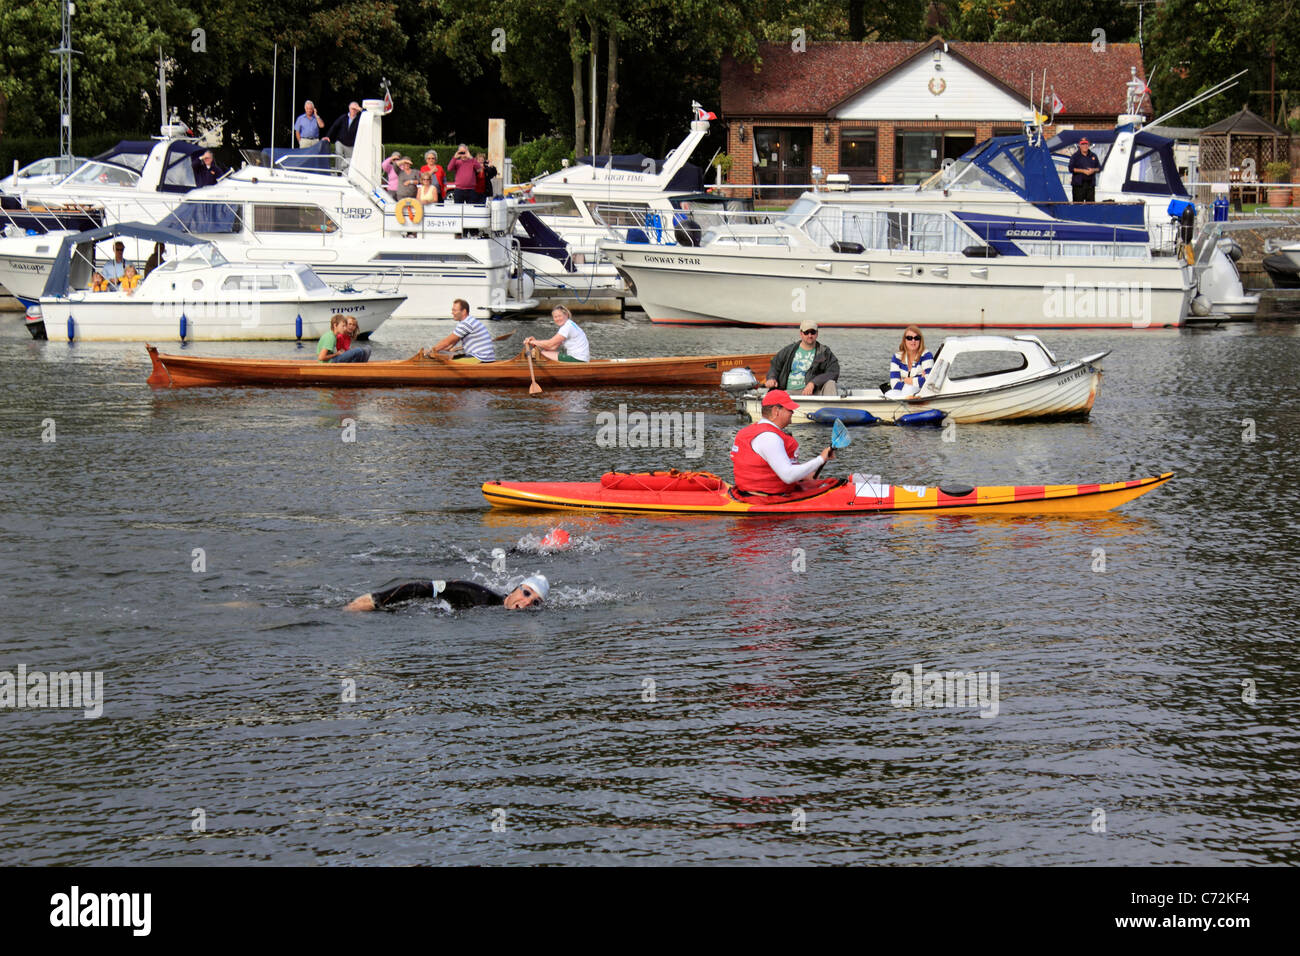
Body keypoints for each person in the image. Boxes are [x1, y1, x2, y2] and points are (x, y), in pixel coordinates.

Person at [730, 389, 835, 496]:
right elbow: (788, 476)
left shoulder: (753, 431)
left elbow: (771, 468)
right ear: (776, 411)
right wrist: (821, 459)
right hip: (764, 499)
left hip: (749, 492)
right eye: (789, 409)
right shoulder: (769, 437)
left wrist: (803, 476)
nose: (792, 412)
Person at [344, 574, 548, 611]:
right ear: (515, 589)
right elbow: (422, 587)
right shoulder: (476, 594)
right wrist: (376, 600)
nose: (528, 602)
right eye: (527, 594)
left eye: (536, 603)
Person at [765, 319, 839, 395]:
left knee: (831, 383)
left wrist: (813, 383)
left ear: (817, 333)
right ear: (801, 333)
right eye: (806, 332)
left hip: (814, 392)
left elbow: (833, 372)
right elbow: (775, 366)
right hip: (789, 392)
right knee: (777, 395)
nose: (810, 336)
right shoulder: (789, 350)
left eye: (812, 332)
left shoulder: (824, 352)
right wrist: (771, 378)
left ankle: (830, 406)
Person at [431, 298, 496, 362]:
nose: (452, 313)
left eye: (454, 310)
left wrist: (430, 352)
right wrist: (440, 350)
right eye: (452, 310)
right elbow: (452, 343)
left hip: (480, 358)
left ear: (464, 311)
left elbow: (447, 342)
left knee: (446, 363)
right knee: (448, 357)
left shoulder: (466, 324)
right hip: (485, 357)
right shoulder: (469, 320)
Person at [525, 305, 589, 362]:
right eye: (555, 317)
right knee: (545, 352)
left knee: (542, 354)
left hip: (578, 359)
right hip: (582, 358)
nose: (558, 319)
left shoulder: (567, 327)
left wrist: (533, 341)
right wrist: (535, 343)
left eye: (559, 316)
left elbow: (550, 344)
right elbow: (552, 347)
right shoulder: (569, 324)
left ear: (566, 315)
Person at [886, 325, 934, 397]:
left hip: (920, 394)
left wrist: (907, 380)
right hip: (903, 393)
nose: (913, 341)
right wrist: (919, 379)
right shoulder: (897, 357)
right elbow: (894, 384)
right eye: (909, 338)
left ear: (920, 341)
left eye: (916, 338)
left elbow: (928, 382)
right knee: (889, 393)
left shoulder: (926, 355)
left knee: (909, 389)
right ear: (904, 340)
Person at [1068, 137, 1101, 203]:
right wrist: (1083, 171)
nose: (1085, 146)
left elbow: (1099, 168)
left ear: (1088, 145)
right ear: (1079, 145)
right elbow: (1071, 168)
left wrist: (1093, 170)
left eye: (1086, 144)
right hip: (1078, 185)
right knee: (1078, 206)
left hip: (1090, 185)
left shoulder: (1093, 155)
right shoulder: (1075, 156)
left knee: (1091, 206)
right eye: (1083, 144)